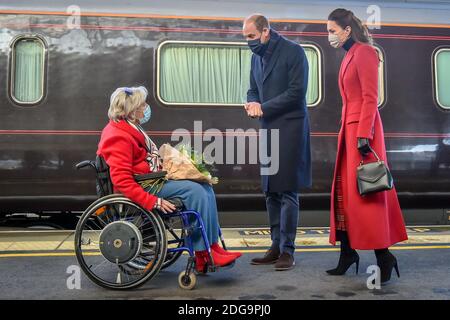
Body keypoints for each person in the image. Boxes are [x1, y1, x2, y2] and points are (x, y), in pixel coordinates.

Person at [97, 86, 241, 272]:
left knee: (205, 187)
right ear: (132, 111)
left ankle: (212, 247)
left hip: (150, 181)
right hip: (144, 187)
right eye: (143, 104)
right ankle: (203, 253)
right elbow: (122, 181)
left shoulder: (128, 128)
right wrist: (152, 202)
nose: (146, 107)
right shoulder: (118, 136)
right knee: (195, 192)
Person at [326, 9, 408, 283]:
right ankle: (347, 253)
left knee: (366, 194)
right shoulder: (350, 55)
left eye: (332, 31)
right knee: (346, 194)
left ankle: (384, 256)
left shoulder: (364, 53)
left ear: (347, 30)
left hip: (363, 132)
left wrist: (363, 134)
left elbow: (370, 97)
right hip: (349, 132)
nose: (330, 36)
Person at [243, 14, 312, 271]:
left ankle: (288, 250)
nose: (249, 42)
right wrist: (251, 102)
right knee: (270, 189)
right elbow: (253, 88)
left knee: (287, 190)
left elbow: (297, 93)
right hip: (268, 127)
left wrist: (264, 108)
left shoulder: (294, 52)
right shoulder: (255, 58)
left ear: (265, 32)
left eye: (251, 36)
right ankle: (274, 245)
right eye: (245, 38)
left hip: (291, 127)